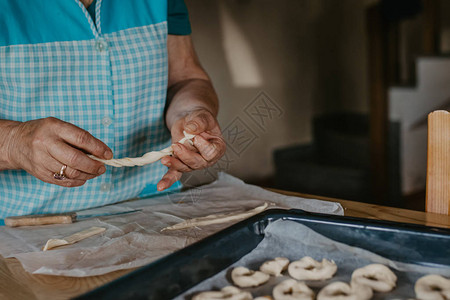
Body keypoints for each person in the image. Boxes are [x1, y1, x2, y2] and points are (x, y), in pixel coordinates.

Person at [0, 0, 225, 220]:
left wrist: (192, 112)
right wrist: (12, 143)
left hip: (154, 210)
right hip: (21, 227)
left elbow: (185, 78)